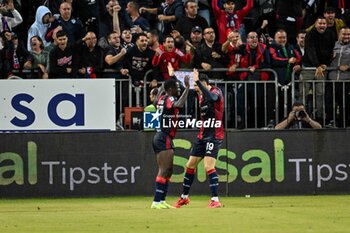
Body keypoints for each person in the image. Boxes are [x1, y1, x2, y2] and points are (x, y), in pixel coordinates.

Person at [173, 69, 224, 208]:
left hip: (214, 136)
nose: (196, 89)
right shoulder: (200, 95)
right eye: (195, 86)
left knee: (209, 166)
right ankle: (184, 197)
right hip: (202, 136)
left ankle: (215, 200)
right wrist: (174, 75)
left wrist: (198, 83)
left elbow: (213, 99)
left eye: (197, 86)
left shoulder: (216, 91)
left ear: (204, 83)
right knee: (190, 165)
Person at [151, 63, 190, 209]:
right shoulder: (169, 98)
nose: (178, 89)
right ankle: (156, 201)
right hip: (163, 136)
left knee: (169, 170)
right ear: (170, 89)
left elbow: (159, 95)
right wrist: (187, 88)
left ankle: (161, 200)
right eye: (176, 87)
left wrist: (170, 75)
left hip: (163, 136)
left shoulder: (161, 97)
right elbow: (179, 105)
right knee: (164, 169)